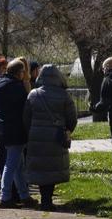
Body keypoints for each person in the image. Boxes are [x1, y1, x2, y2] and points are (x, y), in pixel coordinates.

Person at [24, 64, 78, 211]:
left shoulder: (33, 94)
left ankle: (44, 199)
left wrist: (31, 132)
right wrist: (67, 130)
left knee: (41, 167)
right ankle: (47, 200)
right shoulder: (64, 95)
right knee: (51, 167)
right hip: (56, 135)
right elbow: (72, 118)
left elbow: (26, 118)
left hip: (36, 136)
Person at [0, 57, 35, 207]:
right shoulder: (17, 87)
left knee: (18, 165)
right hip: (16, 129)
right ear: (19, 73)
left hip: (4, 129)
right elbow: (28, 105)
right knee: (11, 165)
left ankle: (24, 195)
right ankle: (5, 197)